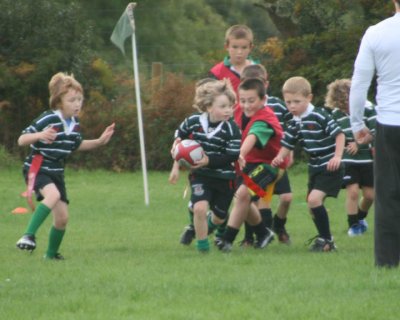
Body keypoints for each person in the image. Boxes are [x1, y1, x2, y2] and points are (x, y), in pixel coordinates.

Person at [16, 72, 115, 260]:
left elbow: (76, 145)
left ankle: (51, 256)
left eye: (80, 99)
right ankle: (28, 235)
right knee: (53, 195)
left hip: (56, 171)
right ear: (58, 101)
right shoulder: (48, 119)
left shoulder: (74, 123)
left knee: (62, 219)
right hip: (37, 166)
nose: (77, 104)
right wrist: (39, 135)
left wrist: (100, 141)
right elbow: (22, 139)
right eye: (72, 100)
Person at [349, 0, 400, 267]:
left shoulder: (376, 32)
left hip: (390, 121)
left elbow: (359, 82)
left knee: (388, 193)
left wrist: (357, 123)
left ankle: (388, 261)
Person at [272, 76, 345, 252]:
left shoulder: (319, 115)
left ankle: (327, 241)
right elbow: (288, 143)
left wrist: (337, 156)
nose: (292, 106)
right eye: (288, 102)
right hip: (315, 167)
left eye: (297, 101)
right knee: (313, 207)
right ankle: (325, 239)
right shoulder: (295, 121)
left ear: (309, 98)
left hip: (330, 166)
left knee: (314, 200)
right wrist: (279, 157)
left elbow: (340, 134)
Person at [169, 79, 241, 253]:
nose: (228, 110)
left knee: (219, 217)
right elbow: (180, 134)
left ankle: (206, 227)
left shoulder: (232, 129)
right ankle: (203, 248)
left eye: (230, 106)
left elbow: (232, 155)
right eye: (223, 106)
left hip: (225, 178)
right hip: (201, 175)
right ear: (209, 107)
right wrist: (176, 149)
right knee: (199, 208)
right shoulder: (193, 121)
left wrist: (209, 160)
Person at [219, 78, 288, 252]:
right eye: (242, 101)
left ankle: (227, 240)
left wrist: (239, 154)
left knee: (243, 194)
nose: (247, 105)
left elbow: (253, 137)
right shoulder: (240, 113)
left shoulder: (264, 119)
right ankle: (263, 233)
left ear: (263, 100)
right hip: (250, 164)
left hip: (269, 167)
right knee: (243, 199)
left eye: (251, 101)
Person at [237, 64, 293, 246]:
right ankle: (251, 237)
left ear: (265, 85)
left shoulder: (277, 105)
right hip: (254, 161)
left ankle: (278, 227)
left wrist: (289, 150)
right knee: (254, 198)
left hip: (276, 159)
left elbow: (290, 129)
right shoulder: (241, 108)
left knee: (286, 198)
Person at [325, 79, 376, 237]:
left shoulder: (367, 109)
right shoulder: (335, 115)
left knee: (370, 196)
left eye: (347, 102)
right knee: (352, 192)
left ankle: (360, 218)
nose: (345, 107)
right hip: (348, 159)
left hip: (367, 159)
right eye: (341, 104)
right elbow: (334, 135)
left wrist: (359, 143)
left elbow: (374, 131)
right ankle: (353, 226)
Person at [209, 24, 257, 94]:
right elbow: (208, 100)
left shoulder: (258, 70)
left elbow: (264, 99)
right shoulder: (216, 73)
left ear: (250, 48)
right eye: (235, 47)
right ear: (226, 47)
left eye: (244, 47)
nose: (239, 52)